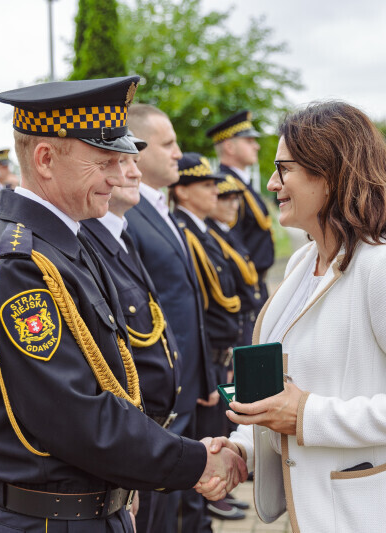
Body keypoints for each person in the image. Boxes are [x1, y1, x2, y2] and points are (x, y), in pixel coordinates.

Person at [0, 76, 246, 533]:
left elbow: (114, 378)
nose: (120, 174)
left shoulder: (68, 241)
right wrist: (193, 461)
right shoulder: (19, 266)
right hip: (50, 521)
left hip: (90, 510)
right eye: (104, 161)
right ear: (46, 160)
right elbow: (75, 416)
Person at [209, 101, 386, 533]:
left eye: (284, 168)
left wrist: (309, 416)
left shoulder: (384, 268)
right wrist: (244, 451)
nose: (273, 182)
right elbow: (289, 395)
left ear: (329, 176)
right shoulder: (302, 263)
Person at [79, 133, 184, 532]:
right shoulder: (88, 242)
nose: (134, 172)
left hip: (151, 433)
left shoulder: (120, 236)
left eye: (133, 161)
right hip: (133, 440)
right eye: (120, 162)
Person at [124, 104, 219, 533]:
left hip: (186, 382)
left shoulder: (160, 208)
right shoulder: (126, 213)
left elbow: (184, 302)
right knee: (158, 511)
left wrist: (203, 377)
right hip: (159, 390)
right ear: (138, 151)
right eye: (169, 144)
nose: (180, 153)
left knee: (182, 505)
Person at [169, 154, 246, 522]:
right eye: (206, 185)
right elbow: (197, 304)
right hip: (207, 350)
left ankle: (207, 505)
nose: (216, 191)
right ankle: (204, 504)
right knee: (206, 433)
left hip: (218, 347)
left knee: (215, 428)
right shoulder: (185, 232)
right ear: (182, 191)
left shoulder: (202, 230)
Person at [208, 110, 274, 341]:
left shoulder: (240, 184)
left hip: (255, 287)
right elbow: (229, 246)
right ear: (229, 147)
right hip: (245, 294)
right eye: (248, 141)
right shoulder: (227, 187)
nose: (256, 146)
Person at [206, 175, 264, 352]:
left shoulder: (228, 232)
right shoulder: (208, 238)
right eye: (225, 199)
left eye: (236, 199)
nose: (234, 205)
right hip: (235, 329)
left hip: (248, 322)